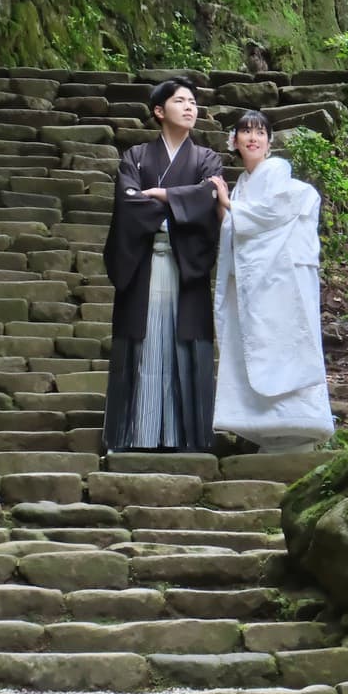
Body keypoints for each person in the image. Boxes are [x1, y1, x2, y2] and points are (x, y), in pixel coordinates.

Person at [103, 77, 223, 453]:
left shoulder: (207, 158)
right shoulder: (135, 157)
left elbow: (208, 196)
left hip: (184, 264)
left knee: (183, 342)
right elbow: (128, 204)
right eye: (180, 101)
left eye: (193, 102)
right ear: (159, 111)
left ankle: (188, 435)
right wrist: (177, 203)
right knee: (144, 343)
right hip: (143, 263)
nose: (190, 107)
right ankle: (134, 434)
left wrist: (162, 194)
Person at [210, 111, 334, 453]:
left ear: (269, 141)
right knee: (260, 339)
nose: (253, 138)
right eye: (245, 132)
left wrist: (228, 205)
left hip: (281, 276)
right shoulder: (244, 183)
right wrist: (229, 208)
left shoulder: (276, 172)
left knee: (286, 337)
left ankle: (298, 427)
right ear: (233, 141)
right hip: (259, 277)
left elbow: (270, 214)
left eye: (260, 132)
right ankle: (266, 427)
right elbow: (237, 227)